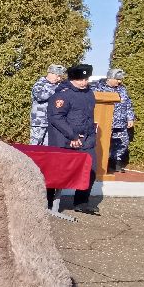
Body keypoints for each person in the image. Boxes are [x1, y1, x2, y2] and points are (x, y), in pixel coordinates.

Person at [47, 63, 99, 215]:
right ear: (71, 79)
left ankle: (81, 202)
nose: (84, 82)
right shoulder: (63, 94)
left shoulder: (89, 92)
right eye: (80, 80)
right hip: (65, 139)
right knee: (57, 172)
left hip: (87, 138)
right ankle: (48, 201)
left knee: (91, 170)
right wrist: (73, 136)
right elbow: (56, 117)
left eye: (86, 79)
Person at [92, 68, 136, 172]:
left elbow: (128, 104)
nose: (120, 81)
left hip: (120, 123)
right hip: (105, 123)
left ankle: (114, 161)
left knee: (123, 143)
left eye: (120, 79)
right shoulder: (98, 87)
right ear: (110, 78)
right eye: (117, 79)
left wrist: (130, 118)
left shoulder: (122, 89)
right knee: (103, 144)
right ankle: (101, 164)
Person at [30, 64, 67, 145]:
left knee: (47, 147)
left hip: (51, 122)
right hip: (39, 122)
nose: (59, 79)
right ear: (51, 73)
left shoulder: (57, 85)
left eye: (60, 77)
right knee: (35, 146)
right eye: (57, 76)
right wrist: (56, 89)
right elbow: (40, 96)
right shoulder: (40, 84)